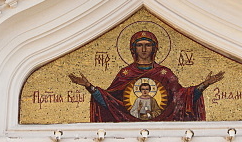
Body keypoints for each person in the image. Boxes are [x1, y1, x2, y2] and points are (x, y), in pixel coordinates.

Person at [68, 30, 224, 122]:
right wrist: (89, 87)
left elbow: (182, 97)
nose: (143, 49)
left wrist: (204, 85)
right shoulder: (125, 74)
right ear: (133, 49)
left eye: (147, 45)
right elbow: (111, 102)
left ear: (154, 48)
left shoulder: (165, 73)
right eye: (139, 45)